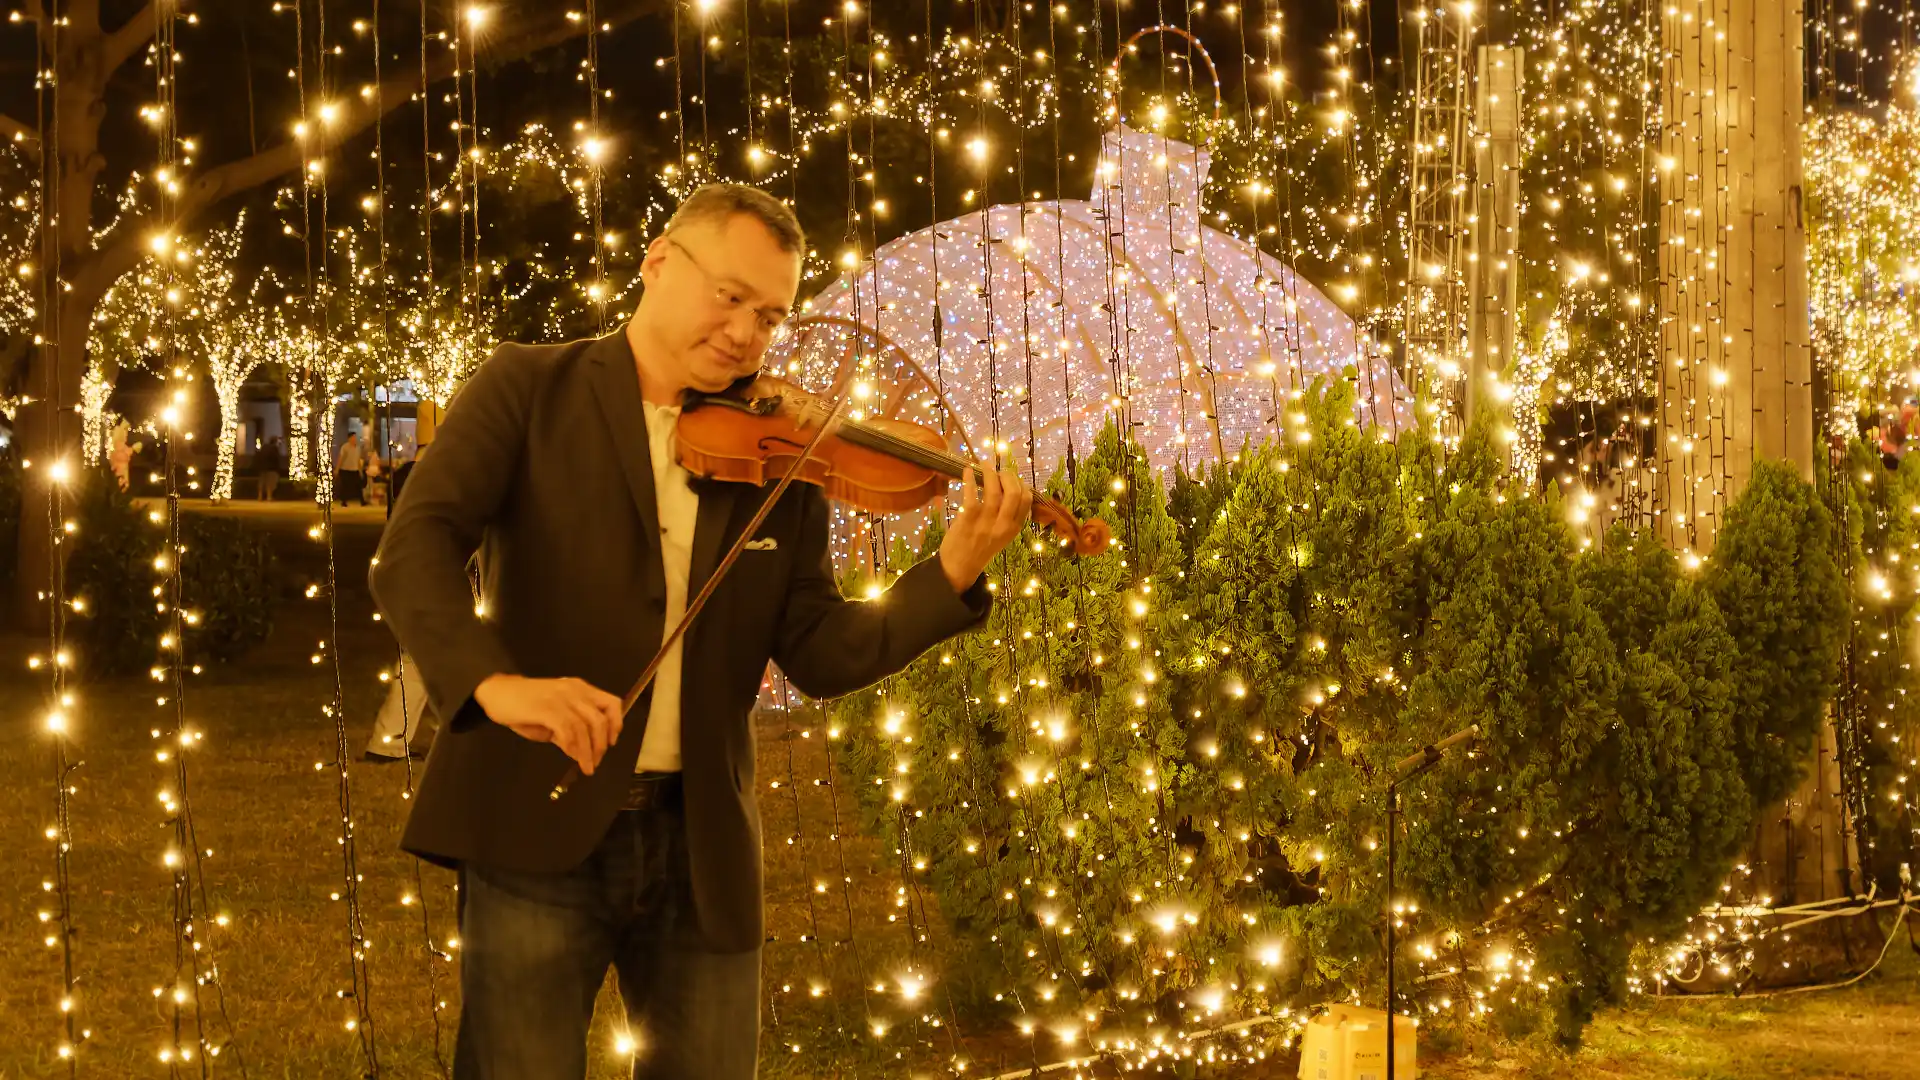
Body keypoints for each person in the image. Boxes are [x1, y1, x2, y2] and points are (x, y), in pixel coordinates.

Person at [369, 182, 1030, 1080]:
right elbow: (412, 551)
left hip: (703, 846)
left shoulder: (784, 445)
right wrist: (497, 686)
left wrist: (949, 573)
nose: (747, 334)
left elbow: (818, 648)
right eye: (730, 296)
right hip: (538, 819)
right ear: (657, 262)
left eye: (769, 315)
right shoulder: (527, 385)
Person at [336, 430, 366, 505]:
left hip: (355, 469)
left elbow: (358, 460)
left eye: (355, 437)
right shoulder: (345, 447)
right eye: (353, 437)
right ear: (349, 438)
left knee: (358, 486)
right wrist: (337, 469)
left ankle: (362, 501)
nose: (354, 439)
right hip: (345, 469)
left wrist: (360, 471)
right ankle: (344, 501)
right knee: (345, 486)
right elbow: (341, 458)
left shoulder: (358, 448)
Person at [256, 436, 284, 501]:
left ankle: (260, 496)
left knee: (262, 482)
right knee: (270, 483)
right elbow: (276, 458)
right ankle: (269, 496)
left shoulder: (264, 447)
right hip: (271, 468)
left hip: (262, 467)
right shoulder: (274, 448)